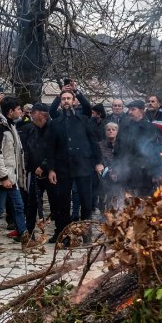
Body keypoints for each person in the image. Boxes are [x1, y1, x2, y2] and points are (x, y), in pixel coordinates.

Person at [46, 83, 101, 244]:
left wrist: (98, 162)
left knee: (86, 202)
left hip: (83, 167)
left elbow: (93, 142)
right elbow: (50, 148)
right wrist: (51, 169)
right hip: (63, 169)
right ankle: (65, 235)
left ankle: (86, 233)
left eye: (69, 98)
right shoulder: (55, 122)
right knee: (62, 203)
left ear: (74, 101)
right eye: (63, 99)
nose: (66, 101)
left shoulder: (83, 119)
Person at [0, 98, 33, 249]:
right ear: (10, 111)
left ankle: (25, 239)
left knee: (18, 206)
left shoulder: (9, 125)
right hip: (2, 177)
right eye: (18, 109)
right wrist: (4, 177)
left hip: (11, 176)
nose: (21, 112)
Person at [114, 100, 162, 197]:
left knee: (142, 200)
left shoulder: (150, 128)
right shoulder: (124, 127)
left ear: (141, 111)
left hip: (143, 171)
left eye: (133, 109)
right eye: (129, 110)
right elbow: (118, 147)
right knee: (127, 199)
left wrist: (155, 171)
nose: (130, 112)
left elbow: (155, 151)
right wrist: (116, 165)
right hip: (126, 170)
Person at [21, 102, 52, 235]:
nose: (31, 115)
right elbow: (27, 149)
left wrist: (43, 166)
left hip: (50, 172)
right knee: (31, 203)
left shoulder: (52, 129)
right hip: (34, 172)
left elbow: (52, 150)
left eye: (34, 113)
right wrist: (28, 167)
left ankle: (60, 232)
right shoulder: (30, 128)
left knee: (55, 202)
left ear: (42, 115)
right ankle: (28, 230)